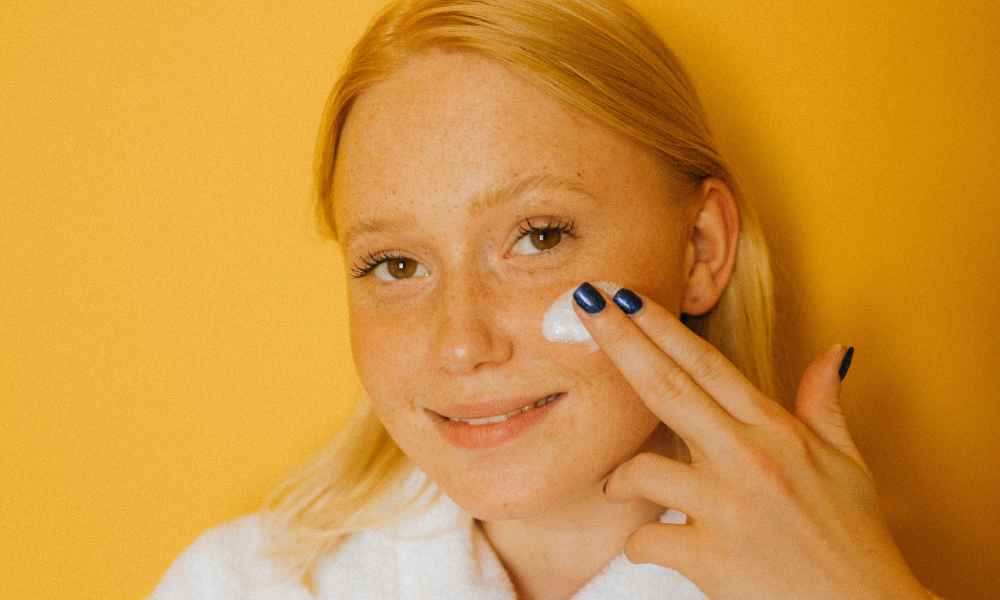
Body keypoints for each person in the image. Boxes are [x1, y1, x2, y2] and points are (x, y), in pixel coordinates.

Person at [149, 0, 945, 598]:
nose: (460, 343)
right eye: (395, 265)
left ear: (700, 248)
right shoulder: (241, 585)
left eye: (537, 237)